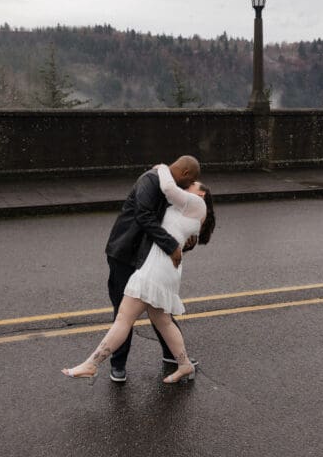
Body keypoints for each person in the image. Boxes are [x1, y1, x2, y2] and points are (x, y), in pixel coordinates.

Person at [63, 164, 215, 385]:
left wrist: (162, 168)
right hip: (164, 268)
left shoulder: (194, 202)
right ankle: (184, 365)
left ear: (200, 194)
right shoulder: (184, 205)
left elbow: (169, 188)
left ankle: (92, 364)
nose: (187, 185)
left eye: (191, 184)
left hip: (156, 268)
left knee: (124, 318)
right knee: (162, 320)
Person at [103, 155, 201, 383]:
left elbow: (172, 223)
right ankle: (118, 364)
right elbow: (145, 216)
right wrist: (171, 247)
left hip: (149, 257)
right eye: (190, 181)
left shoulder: (171, 189)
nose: (188, 187)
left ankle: (172, 355)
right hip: (125, 254)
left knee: (160, 305)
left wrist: (186, 241)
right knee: (123, 311)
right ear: (185, 174)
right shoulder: (150, 180)